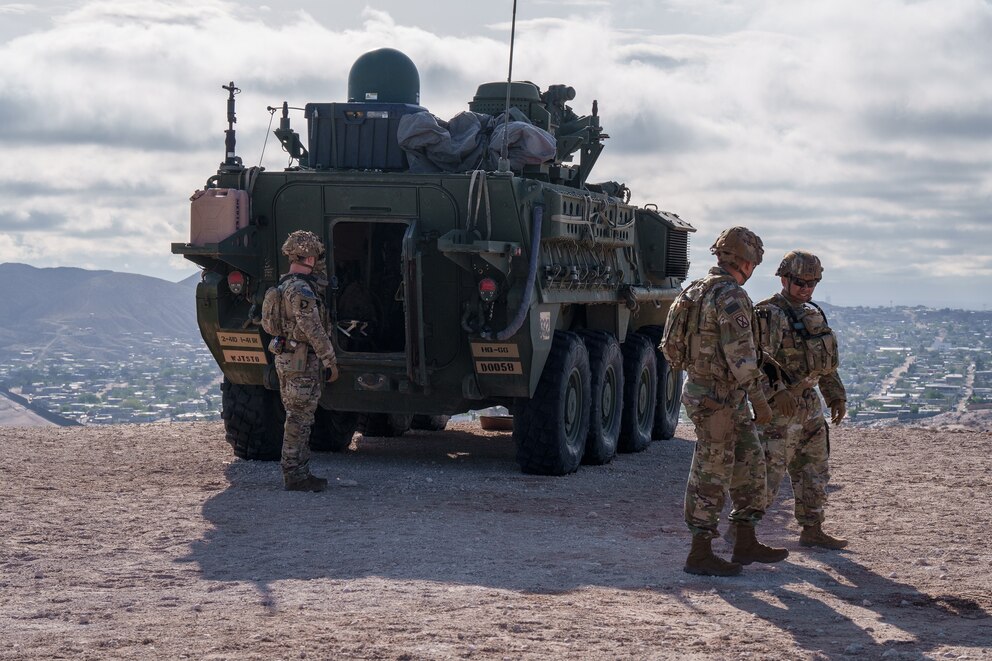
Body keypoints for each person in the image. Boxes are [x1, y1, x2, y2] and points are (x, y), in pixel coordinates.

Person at [668, 226, 789, 576]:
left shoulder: (694, 290)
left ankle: (745, 540)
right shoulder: (730, 296)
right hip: (716, 397)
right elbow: (742, 357)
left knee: (751, 463)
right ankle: (700, 552)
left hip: (716, 393)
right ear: (747, 262)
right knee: (712, 471)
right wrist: (761, 402)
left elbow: (674, 348)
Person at [755, 250, 848, 549]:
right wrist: (777, 392)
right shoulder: (769, 314)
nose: (806, 288)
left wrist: (835, 396)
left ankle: (812, 529)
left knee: (814, 470)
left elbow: (825, 362)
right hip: (778, 410)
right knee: (766, 474)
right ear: (784, 279)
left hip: (808, 409)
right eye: (799, 282)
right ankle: (743, 532)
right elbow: (755, 360)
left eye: (812, 282)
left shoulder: (813, 313)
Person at [275, 230, 340, 492]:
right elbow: (313, 328)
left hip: (288, 358)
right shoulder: (301, 290)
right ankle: (295, 474)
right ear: (311, 258)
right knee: (299, 418)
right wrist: (330, 360)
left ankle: (296, 471)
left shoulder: (284, 285)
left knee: (296, 416)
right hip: (301, 362)